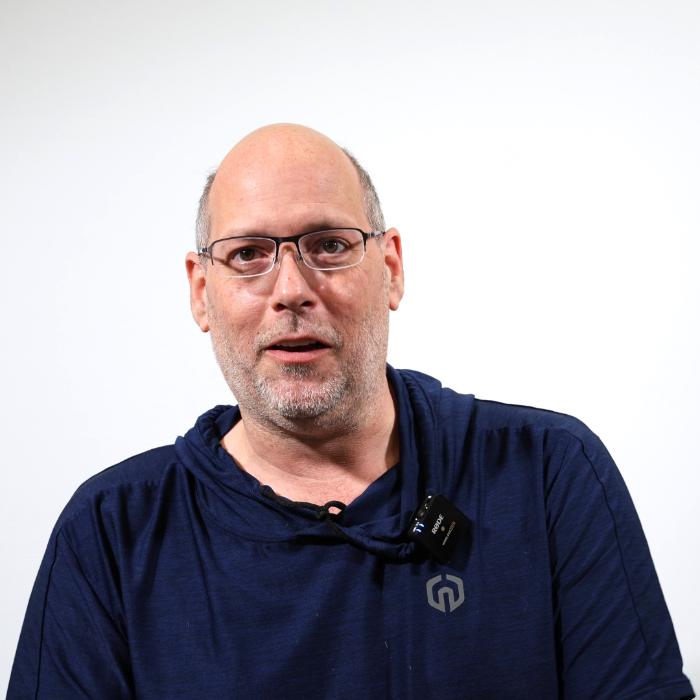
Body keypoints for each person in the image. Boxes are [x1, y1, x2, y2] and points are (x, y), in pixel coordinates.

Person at [7, 124, 694, 699]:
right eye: (248, 255)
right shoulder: (112, 534)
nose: (292, 290)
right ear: (200, 293)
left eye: (329, 246)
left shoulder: (546, 475)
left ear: (390, 267)